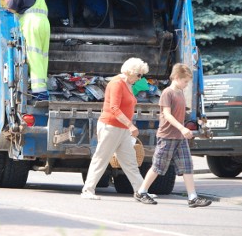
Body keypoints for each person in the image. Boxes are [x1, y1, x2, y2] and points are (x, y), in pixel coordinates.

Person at [81, 57, 157, 204]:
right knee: (101, 158)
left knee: (130, 162)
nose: (140, 78)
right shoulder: (116, 83)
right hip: (111, 126)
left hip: (121, 129)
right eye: (139, 75)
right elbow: (114, 108)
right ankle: (88, 190)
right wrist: (130, 125)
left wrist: (127, 126)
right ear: (130, 72)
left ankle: (141, 191)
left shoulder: (128, 83)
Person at [136, 63, 212, 208]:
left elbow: (180, 113)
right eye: (185, 81)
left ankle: (193, 197)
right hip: (167, 136)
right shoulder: (168, 93)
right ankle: (142, 192)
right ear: (176, 77)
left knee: (187, 166)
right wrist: (182, 128)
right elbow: (167, 114)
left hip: (179, 137)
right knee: (158, 165)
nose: (186, 84)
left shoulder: (180, 92)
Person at [5, 0, 50, 101]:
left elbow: (11, 9)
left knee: (34, 56)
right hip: (44, 23)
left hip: (31, 24)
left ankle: (39, 93)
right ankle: (43, 89)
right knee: (43, 56)